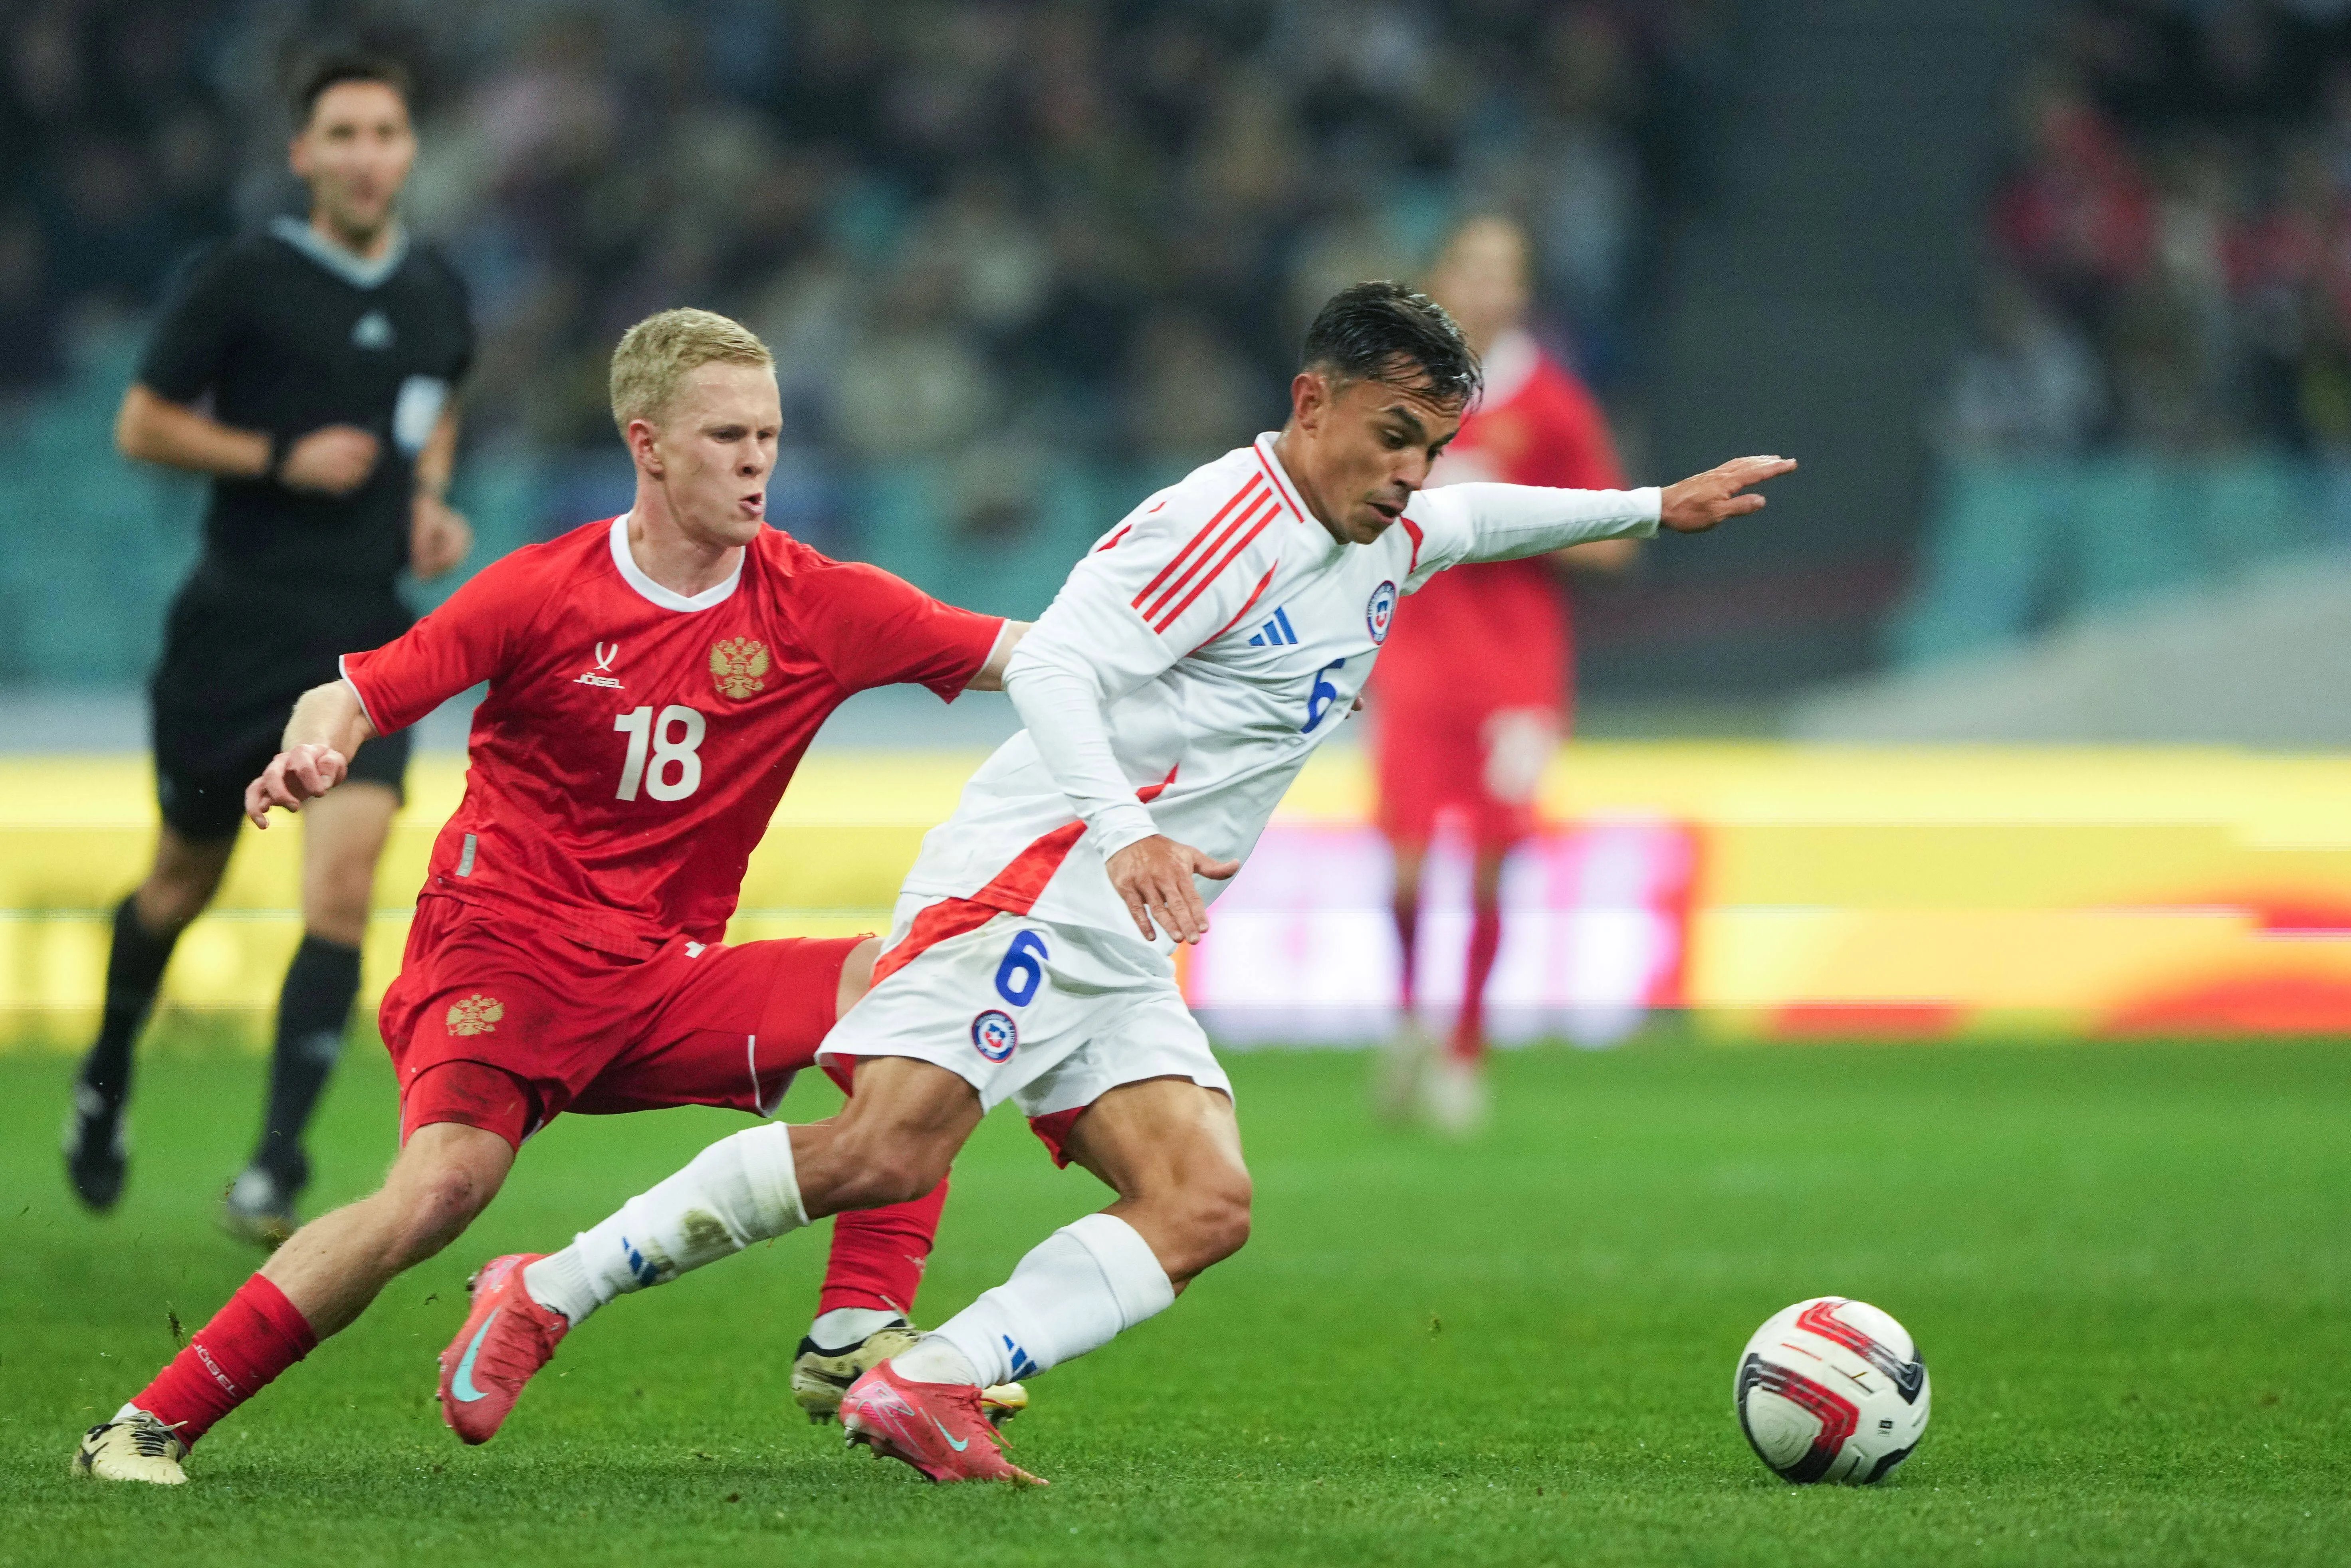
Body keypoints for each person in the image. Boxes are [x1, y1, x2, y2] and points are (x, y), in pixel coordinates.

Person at [436, 282, 1793, 1485]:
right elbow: (1053, 666)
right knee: (887, 1148)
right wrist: (1122, 827)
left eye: (1428, 447)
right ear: (1310, 403)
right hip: (1039, 876)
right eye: (1391, 436)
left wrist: (1650, 508)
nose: (1410, 474)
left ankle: (930, 1378)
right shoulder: (1216, 524)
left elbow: (1477, 518)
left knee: (1202, 1200)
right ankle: (546, 1289)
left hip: (1126, 930)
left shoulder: (1389, 530)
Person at [71, 308, 1029, 1485]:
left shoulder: (820, 602)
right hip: (502, 955)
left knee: (924, 999)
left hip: (663, 976)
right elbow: (354, 693)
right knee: (437, 1196)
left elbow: (1035, 656)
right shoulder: (541, 591)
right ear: (648, 445)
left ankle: (851, 1332)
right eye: (727, 436)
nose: (758, 463)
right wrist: (314, 749)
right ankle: (146, 1423)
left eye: (770, 436)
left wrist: (1202, 644)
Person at [64, 52, 476, 1244]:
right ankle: (103, 1078)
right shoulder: (243, 277)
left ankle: (275, 1166)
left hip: (365, 642)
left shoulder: (436, 291)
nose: (365, 155)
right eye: (341, 133)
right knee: (179, 884)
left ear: (408, 150)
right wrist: (275, 459)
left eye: (384, 132)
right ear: (302, 154)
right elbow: (141, 422)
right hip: (236, 632)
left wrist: (428, 499)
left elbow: (439, 403)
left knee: (343, 888)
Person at [1370, 215, 1639, 1134]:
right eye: (1471, 268)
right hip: (1415, 661)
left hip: (1515, 674)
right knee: (1406, 867)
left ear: (1521, 291)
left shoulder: (1551, 404)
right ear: (1439, 279)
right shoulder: (1398, 395)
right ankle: (1410, 1016)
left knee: (1488, 867)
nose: (1486, 287)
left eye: (1503, 272)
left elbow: (1613, 540)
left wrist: (1505, 517)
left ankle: (1464, 1051)